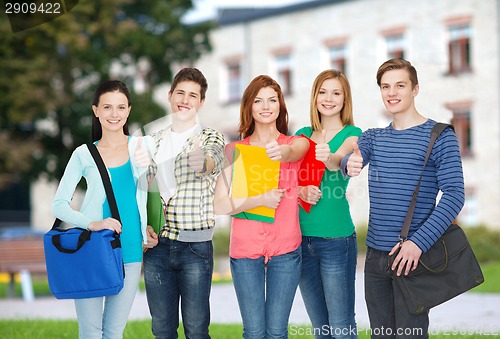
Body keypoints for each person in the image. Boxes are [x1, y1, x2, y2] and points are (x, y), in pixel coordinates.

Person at [341, 58, 465, 338]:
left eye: (400, 85)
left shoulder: (440, 136)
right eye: (385, 87)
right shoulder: (374, 138)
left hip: (413, 258)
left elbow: (455, 195)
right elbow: (351, 160)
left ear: (415, 89)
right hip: (375, 259)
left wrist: (417, 244)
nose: (392, 92)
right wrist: (349, 163)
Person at [51, 80, 158, 339]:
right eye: (107, 107)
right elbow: (59, 205)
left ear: (129, 110)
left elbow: (151, 193)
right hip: (92, 248)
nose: (114, 114)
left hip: (131, 248)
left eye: (121, 107)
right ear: (96, 110)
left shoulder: (143, 146)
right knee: (90, 332)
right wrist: (92, 223)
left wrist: (150, 226)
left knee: (113, 332)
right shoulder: (83, 154)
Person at [213, 75, 309, 339]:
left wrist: (283, 154)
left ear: (280, 105)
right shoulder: (234, 150)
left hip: (286, 248)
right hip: (245, 250)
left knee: (277, 332)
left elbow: (300, 149)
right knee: (254, 332)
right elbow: (219, 204)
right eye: (258, 100)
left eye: (272, 99)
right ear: (249, 107)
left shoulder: (294, 145)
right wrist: (260, 200)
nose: (266, 106)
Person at [142, 67, 225, 339]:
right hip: (157, 248)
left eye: (193, 95)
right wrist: (144, 227)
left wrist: (204, 161)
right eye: (180, 93)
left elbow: (213, 160)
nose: (185, 100)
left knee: (197, 330)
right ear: (170, 95)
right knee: (162, 330)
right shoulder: (152, 141)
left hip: (195, 248)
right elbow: (142, 192)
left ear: (201, 102)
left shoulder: (209, 137)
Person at [295, 69, 362, 339]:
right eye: (323, 92)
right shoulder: (301, 134)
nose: (329, 98)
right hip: (300, 240)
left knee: (342, 327)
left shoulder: (354, 134)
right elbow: (286, 181)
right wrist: (301, 190)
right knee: (320, 329)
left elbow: (340, 162)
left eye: (336, 93)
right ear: (314, 97)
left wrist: (328, 156)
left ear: (345, 99)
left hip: (336, 240)